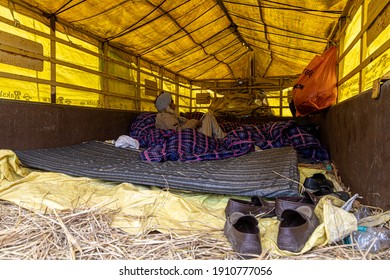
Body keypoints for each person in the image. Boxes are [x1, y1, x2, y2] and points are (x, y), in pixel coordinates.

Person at [154, 91, 226, 139]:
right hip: (193, 137)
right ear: (166, 106)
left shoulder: (167, 116)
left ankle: (221, 137)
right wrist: (193, 122)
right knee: (209, 115)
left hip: (193, 134)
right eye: (171, 102)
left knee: (208, 116)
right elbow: (178, 132)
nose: (174, 105)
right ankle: (222, 137)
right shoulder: (164, 116)